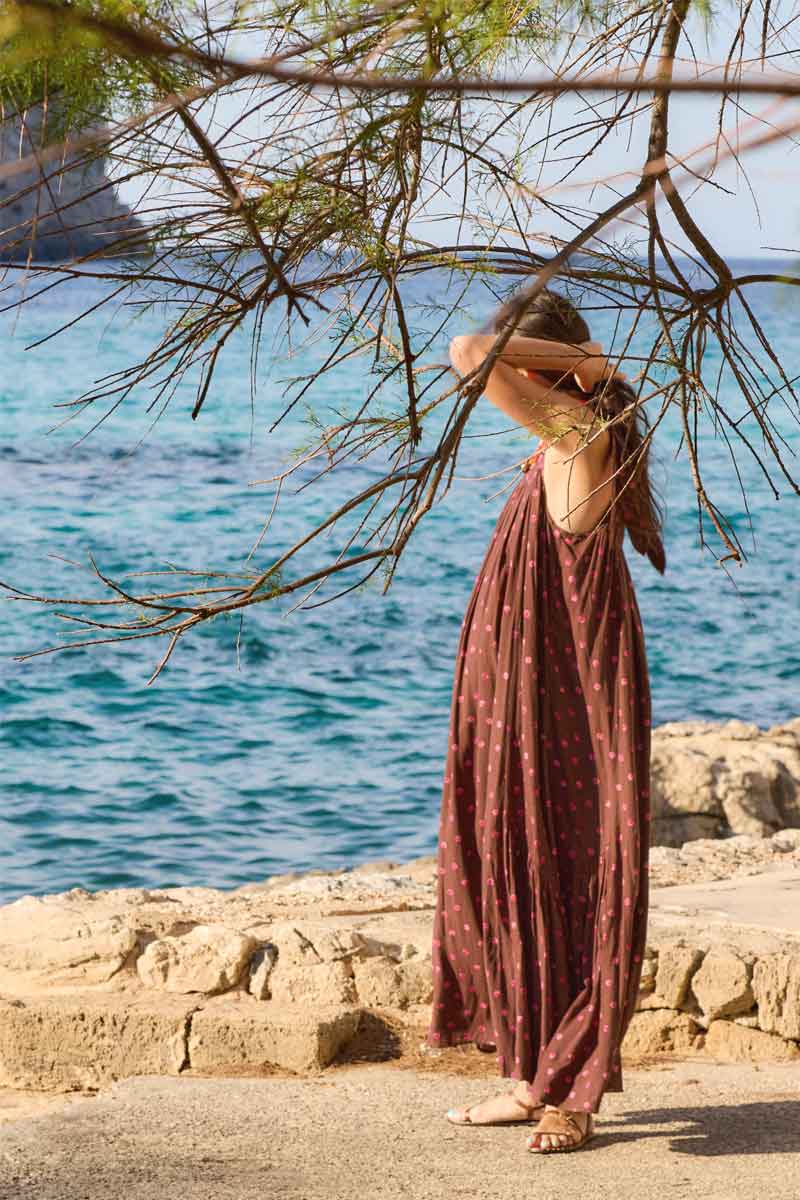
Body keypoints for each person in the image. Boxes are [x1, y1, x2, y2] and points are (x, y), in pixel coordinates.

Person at [426, 287, 666, 1154]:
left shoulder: (579, 438)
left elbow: (463, 350)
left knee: (571, 866)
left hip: (565, 695)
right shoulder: (556, 444)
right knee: (516, 859)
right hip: (524, 692)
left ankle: (574, 1093)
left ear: (539, 368)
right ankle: (532, 1079)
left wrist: (594, 367)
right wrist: (597, 368)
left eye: (522, 365)